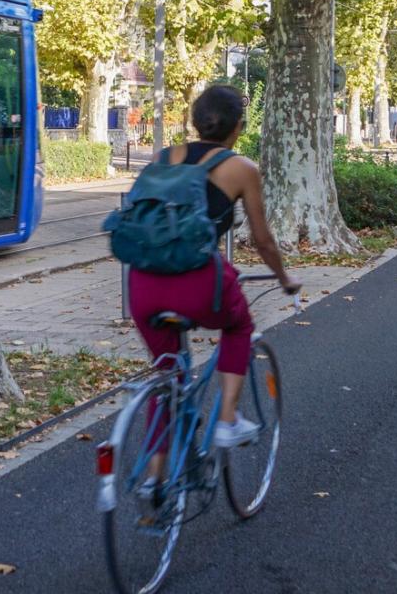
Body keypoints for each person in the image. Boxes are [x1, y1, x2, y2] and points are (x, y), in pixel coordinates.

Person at [129, 84, 300, 454]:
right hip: (198, 283)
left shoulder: (162, 158)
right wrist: (285, 278)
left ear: (194, 122)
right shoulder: (241, 168)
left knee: (169, 375)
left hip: (142, 283)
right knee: (239, 326)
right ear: (238, 126)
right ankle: (226, 419)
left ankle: (153, 484)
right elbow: (263, 241)